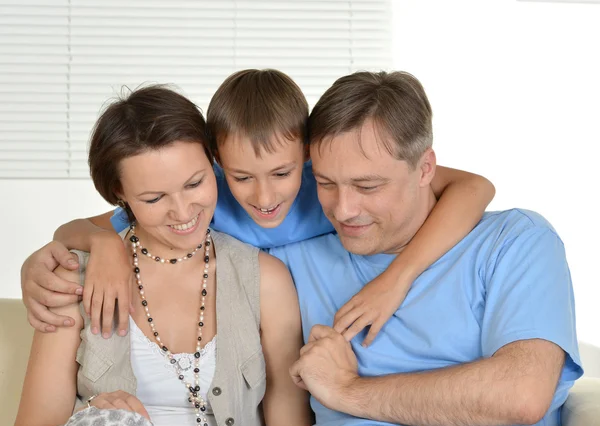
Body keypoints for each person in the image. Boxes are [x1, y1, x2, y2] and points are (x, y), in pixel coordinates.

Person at [265, 71, 581, 426]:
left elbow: (521, 392)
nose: (342, 209)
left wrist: (349, 390)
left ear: (425, 168)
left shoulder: (515, 241)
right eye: (325, 183)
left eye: (367, 185)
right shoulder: (289, 258)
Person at [20, 69, 496, 347]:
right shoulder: (202, 198)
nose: (264, 198)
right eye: (242, 176)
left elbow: (474, 187)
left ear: (309, 156)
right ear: (216, 162)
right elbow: (78, 227)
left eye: (282, 174)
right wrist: (102, 245)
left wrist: (396, 279)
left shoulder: (329, 186)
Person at [7, 86, 313, 426]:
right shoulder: (73, 281)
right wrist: (90, 423)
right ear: (121, 195)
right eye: (154, 198)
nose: (183, 212)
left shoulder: (265, 280)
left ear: (214, 163)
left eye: (195, 183)